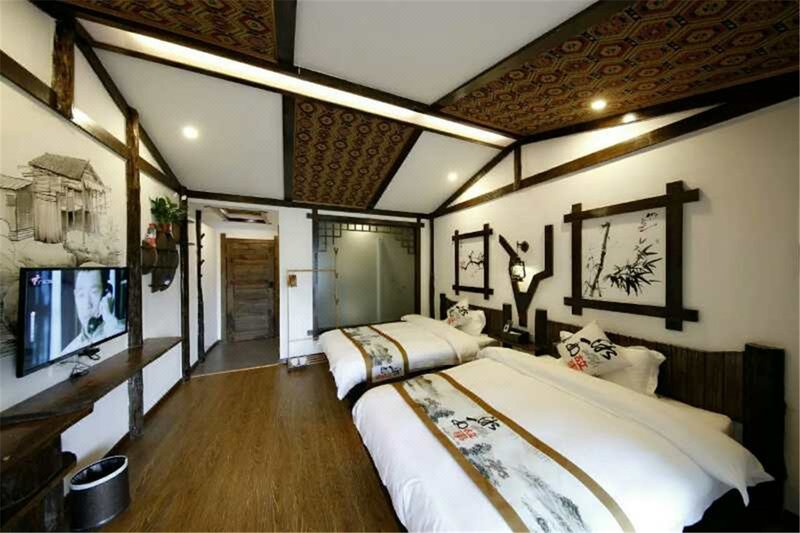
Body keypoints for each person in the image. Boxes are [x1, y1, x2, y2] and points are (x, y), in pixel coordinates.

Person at [61, 270, 125, 356]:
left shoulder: (119, 328)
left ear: (106, 295)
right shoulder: (68, 352)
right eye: (81, 295)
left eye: (94, 292)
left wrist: (109, 319)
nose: (87, 304)